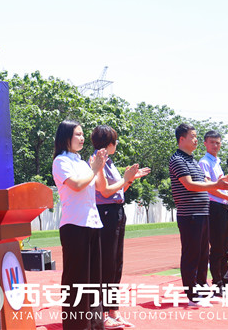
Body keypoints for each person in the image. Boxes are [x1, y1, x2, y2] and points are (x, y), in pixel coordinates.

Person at [169, 123, 228, 307]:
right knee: (191, 254)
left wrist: (220, 185)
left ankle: (202, 287)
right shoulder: (177, 159)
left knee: (203, 254)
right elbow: (189, 185)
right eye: (193, 136)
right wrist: (216, 185)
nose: (196, 140)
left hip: (203, 212)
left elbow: (205, 182)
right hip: (189, 214)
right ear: (182, 139)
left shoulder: (191, 160)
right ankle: (192, 294)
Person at [91, 125, 150, 329]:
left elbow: (118, 190)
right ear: (108, 143)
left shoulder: (109, 162)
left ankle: (113, 311)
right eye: (115, 141)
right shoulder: (96, 161)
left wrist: (130, 179)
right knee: (106, 264)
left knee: (116, 263)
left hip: (116, 211)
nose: (116, 144)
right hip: (105, 213)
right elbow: (105, 192)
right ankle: (101, 314)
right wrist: (125, 179)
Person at [52, 120, 107, 330]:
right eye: (77, 134)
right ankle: (77, 326)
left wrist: (99, 167)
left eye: (83, 134)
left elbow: (100, 187)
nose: (82, 138)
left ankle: (95, 325)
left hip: (93, 223)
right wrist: (94, 168)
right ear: (65, 137)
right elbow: (76, 185)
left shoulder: (83, 163)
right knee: (77, 281)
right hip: (74, 226)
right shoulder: (61, 161)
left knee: (94, 281)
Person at [198, 130, 228, 297]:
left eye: (217, 142)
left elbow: (218, 186)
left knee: (225, 247)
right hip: (213, 207)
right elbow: (209, 187)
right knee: (217, 247)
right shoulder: (204, 162)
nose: (215, 145)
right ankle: (218, 284)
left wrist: (227, 192)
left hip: (222, 206)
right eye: (212, 142)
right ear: (205, 144)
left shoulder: (217, 162)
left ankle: (225, 282)